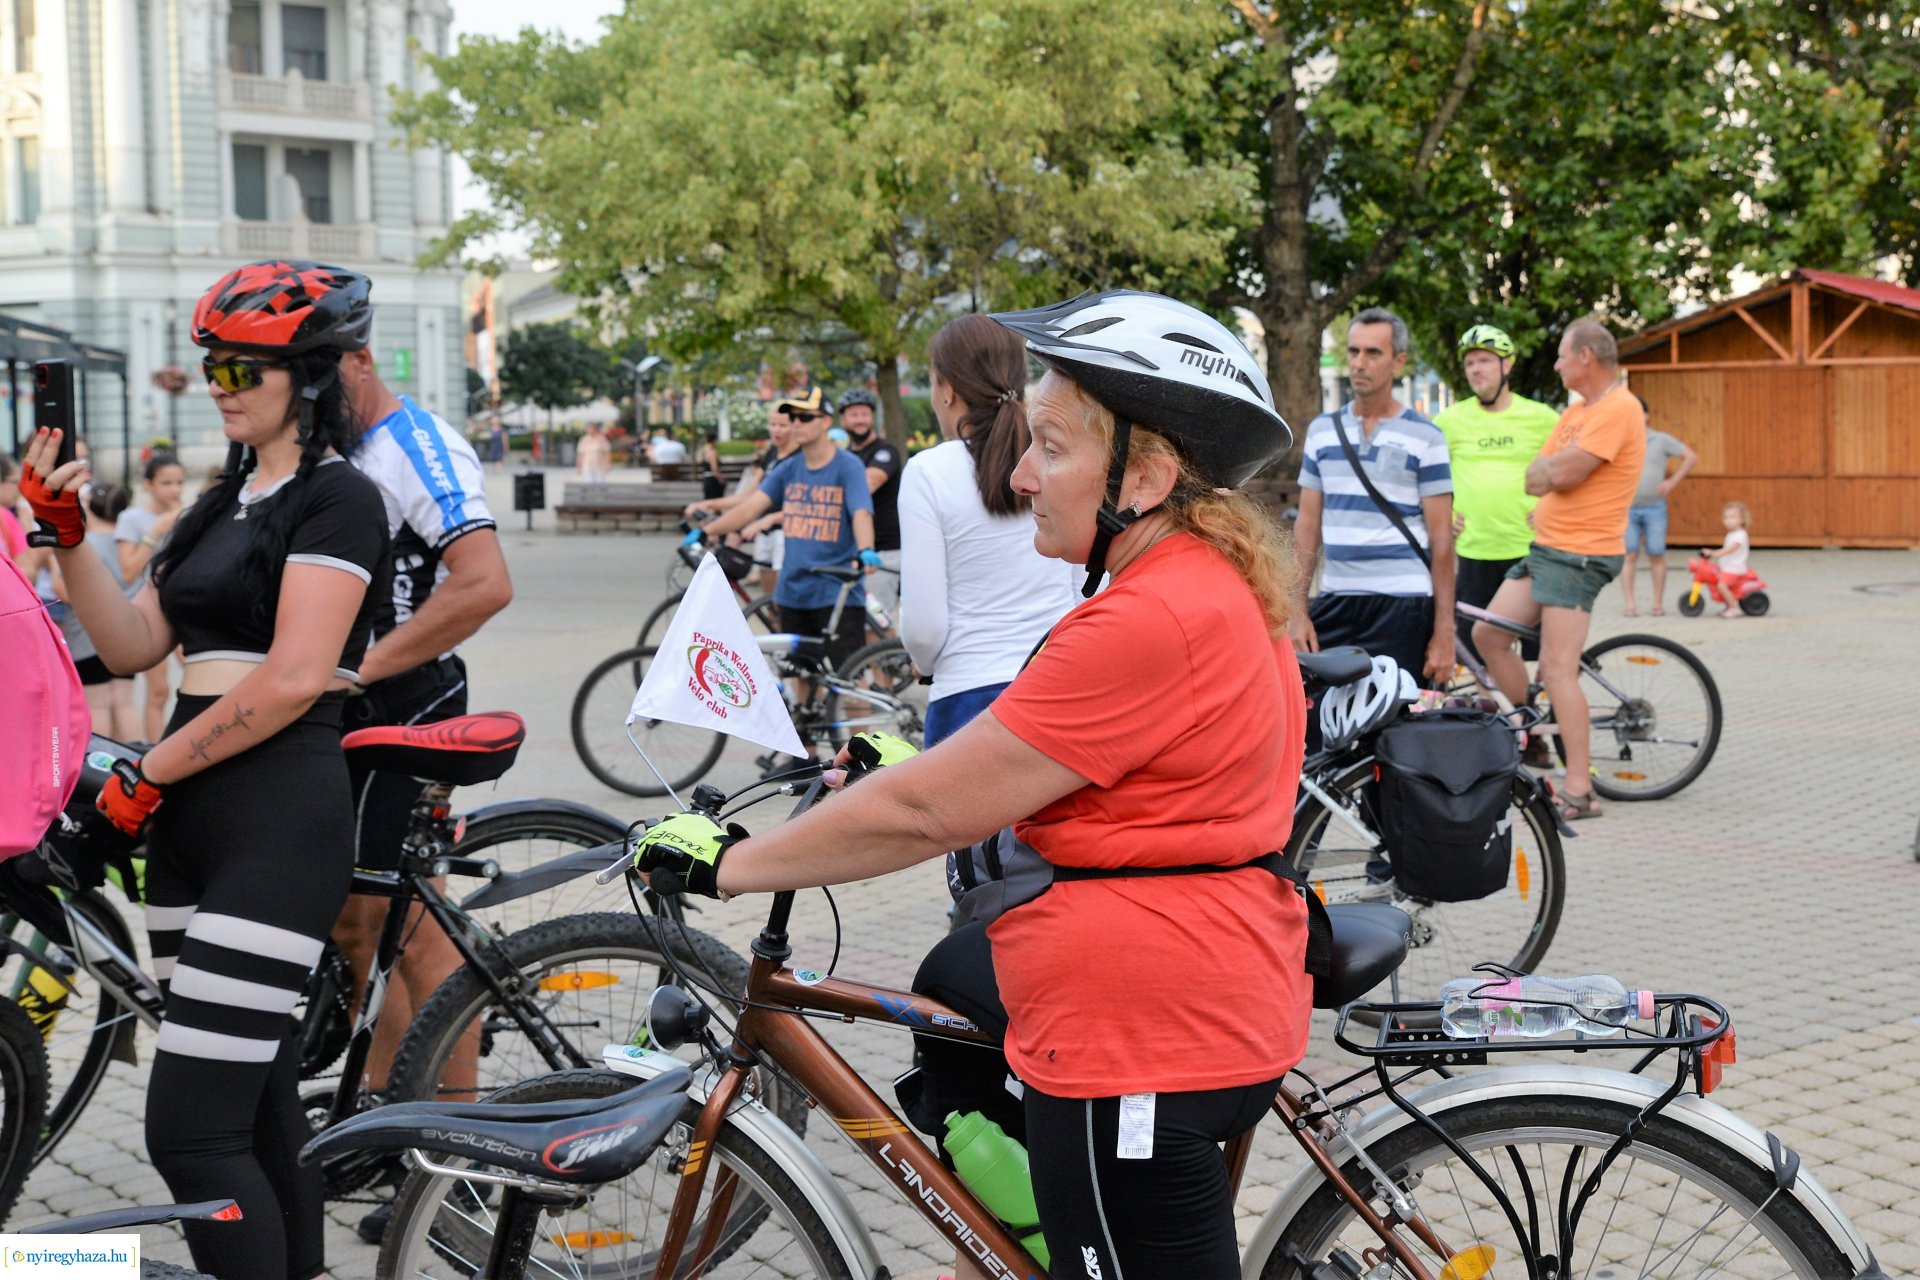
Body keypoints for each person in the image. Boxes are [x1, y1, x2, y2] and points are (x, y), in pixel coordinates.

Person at [634, 290, 1310, 1276]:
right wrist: (919, 764)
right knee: (954, 992)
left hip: (1140, 1035)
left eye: (1052, 447)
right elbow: (1060, 769)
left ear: (1149, 473)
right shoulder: (1199, 579)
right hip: (1188, 984)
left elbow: (921, 815)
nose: (1024, 473)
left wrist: (735, 864)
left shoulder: (1147, 617)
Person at [19, 259, 390, 1279]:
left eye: (242, 367)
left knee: (189, 1131)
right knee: (259, 1098)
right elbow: (134, 642)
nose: (219, 383)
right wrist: (68, 536)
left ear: (309, 377)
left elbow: (294, 677)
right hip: (191, 825)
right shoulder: (221, 504)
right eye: (211, 365)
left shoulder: (341, 498)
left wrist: (148, 770)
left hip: (278, 820)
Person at [330, 321, 514, 1243]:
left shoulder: (416, 444)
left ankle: (464, 1156)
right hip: (353, 705)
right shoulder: (329, 442)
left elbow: (483, 585)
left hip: (408, 703)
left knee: (402, 926)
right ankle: (385, 1115)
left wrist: (364, 669)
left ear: (360, 360)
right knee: (377, 919)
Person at [1473, 316, 1646, 822]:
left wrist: (1554, 472)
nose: (1556, 364)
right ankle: (1534, 724)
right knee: (1487, 634)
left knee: (1557, 668)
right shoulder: (1577, 411)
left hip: (1581, 552)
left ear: (1586, 357)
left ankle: (1579, 788)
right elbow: (1536, 475)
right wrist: (1551, 473)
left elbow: (1563, 471)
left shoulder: (1618, 408)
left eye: (1562, 355)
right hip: (1549, 546)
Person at [900, 315, 1075, 745]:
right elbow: (1086, 584)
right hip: (1060, 688)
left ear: (948, 391)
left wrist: (922, 660)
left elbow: (924, 628)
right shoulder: (1059, 459)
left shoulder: (929, 472)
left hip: (969, 698)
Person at [1291, 307, 1456, 688]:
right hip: (1337, 596)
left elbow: (1443, 540)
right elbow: (1307, 526)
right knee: (1320, 723)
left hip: (1404, 601)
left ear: (1399, 361)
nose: (1359, 363)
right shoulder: (1322, 431)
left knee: (1395, 727)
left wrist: (1444, 632)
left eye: (1373, 353)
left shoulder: (1426, 437)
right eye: (1353, 351)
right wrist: (1298, 610)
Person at [686, 386, 878, 670]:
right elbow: (750, 508)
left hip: (835, 593)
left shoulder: (847, 466)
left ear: (825, 422)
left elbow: (861, 512)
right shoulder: (789, 468)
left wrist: (866, 550)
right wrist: (708, 531)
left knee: (848, 679)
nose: (796, 424)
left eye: (805, 418)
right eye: (793, 418)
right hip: (792, 591)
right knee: (799, 677)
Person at [1433, 325, 1558, 660]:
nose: (1476, 369)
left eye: (1485, 360)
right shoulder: (1448, 420)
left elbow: (1570, 472)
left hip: (1530, 549)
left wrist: (1552, 507)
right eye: (1470, 362)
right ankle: (1487, 710)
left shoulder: (1542, 418)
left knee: (1538, 650)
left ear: (1507, 366)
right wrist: (1444, 515)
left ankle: (1535, 711)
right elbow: (1429, 478)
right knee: (1474, 653)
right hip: (1475, 552)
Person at [684, 403, 796, 598]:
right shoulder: (772, 454)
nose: (776, 430)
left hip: (786, 532)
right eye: (772, 424)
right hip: (765, 532)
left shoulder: (799, 459)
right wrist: (709, 504)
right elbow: (749, 496)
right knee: (768, 599)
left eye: (783, 425)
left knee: (783, 599)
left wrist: (769, 519)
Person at [118, 453, 189, 741]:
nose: (174, 489)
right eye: (166, 483)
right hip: (149, 611)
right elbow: (128, 572)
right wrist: (155, 532)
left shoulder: (190, 514)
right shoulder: (132, 518)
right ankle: (154, 753)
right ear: (148, 484)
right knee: (158, 690)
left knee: (200, 680)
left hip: (185, 606)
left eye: (179, 482)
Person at [1619, 396, 1697, 617]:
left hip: (1655, 507)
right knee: (1629, 555)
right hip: (1628, 507)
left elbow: (1690, 457)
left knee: (1656, 554)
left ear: (1645, 416)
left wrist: (1671, 482)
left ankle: (1657, 604)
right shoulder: (1622, 441)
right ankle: (1630, 605)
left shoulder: (1661, 440)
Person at [77, 482, 141, 740]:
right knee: (125, 702)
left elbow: (64, 589)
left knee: (98, 704)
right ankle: (134, 760)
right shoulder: (130, 543)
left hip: (88, 635)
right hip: (129, 630)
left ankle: (101, 767)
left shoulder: (84, 545)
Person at [838, 387, 904, 620]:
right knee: (856, 620)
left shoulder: (885, 452)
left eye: (864, 414)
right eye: (854, 415)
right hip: (856, 552)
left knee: (877, 620)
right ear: (843, 419)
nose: (860, 420)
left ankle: (888, 657)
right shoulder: (844, 455)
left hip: (883, 552)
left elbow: (868, 484)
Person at [1702, 500, 1754, 617]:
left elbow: (1730, 549)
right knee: (1716, 582)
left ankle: (1734, 608)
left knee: (1722, 585)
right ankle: (1727, 606)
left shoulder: (1740, 535)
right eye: (1726, 517)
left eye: (1732, 517)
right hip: (1727, 568)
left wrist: (1714, 553)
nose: (1728, 520)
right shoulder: (1731, 534)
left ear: (1742, 519)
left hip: (1735, 569)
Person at [696, 432, 725, 500]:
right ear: (714, 441)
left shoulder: (703, 450)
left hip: (706, 478)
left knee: (707, 500)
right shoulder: (712, 452)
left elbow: (699, 461)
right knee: (715, 501)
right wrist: (721, 479)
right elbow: (714, 468)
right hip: (713, 480)